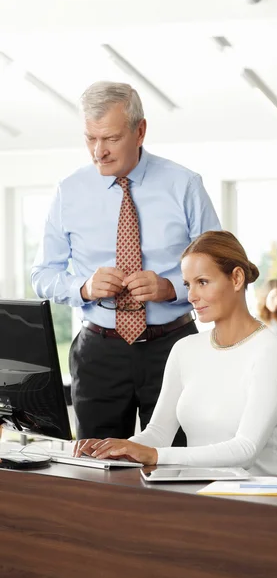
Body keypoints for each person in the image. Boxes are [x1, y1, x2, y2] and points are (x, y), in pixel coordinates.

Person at [31, 81, 220, 442]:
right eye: (90, 138)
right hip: (99, 352)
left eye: (111, 139)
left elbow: (220, 269)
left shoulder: (184, 185)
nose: (98, 152)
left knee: (174, 465)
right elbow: (42, 275)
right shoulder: (69, 191)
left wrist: (171, 288)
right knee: (96, 476)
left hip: (174, 348)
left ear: (140, 131)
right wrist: (83, 287)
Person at [73, 231, 277, 475]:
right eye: (188, 284)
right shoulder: (185, 349)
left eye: (202, 282)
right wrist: (114, 449)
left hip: (257, 500)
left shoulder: (271, 351)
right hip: (199, 494)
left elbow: (246, 449)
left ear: (237, 278)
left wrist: (156, 455)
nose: (191, 296)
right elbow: (158, 433)